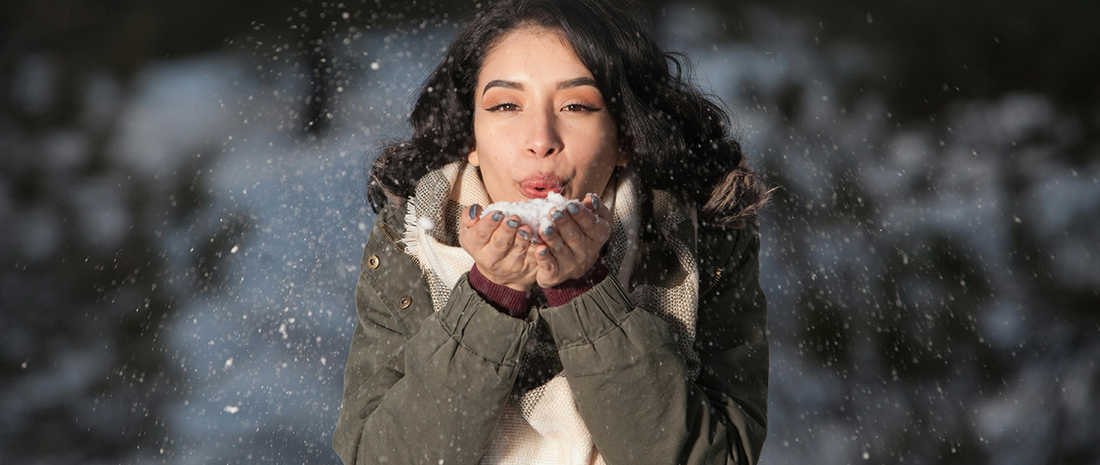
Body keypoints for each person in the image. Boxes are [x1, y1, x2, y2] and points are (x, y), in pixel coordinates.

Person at [333, 0, 770, 463]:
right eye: (506, 105)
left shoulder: (702, 239)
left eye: (576, 105)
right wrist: (491, 295)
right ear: (470, 139)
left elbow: (717, 458)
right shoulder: (412, 239)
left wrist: (585, 293)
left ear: (625, 138)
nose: (540, 138)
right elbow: (377, 457)